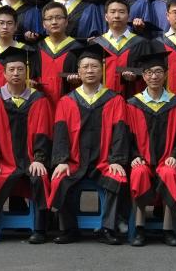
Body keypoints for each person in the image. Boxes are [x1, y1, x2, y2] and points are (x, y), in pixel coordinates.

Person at [49, 44, 129, 245]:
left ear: (102, 70)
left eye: (94, 66)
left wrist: (116, 160)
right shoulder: (67, 101)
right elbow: (60, 134)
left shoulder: (115, 100)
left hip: (103, 162)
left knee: (117, 177)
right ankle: (69, 229)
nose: (90, 71)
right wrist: (61, 160)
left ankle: (107, 228)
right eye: (85, 67)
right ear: (78, 72)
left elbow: (120, 132)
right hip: (75, 161)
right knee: (59, 179)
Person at [0, 47, 53, 245]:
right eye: (11, 70)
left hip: (30, 159)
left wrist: (39, 159)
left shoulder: (38, 99)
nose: (16, 73)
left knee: (40, 176)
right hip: (4, 160)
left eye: (20, 69)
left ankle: (40, 230)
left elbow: (43, 132)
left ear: (26, 72)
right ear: (4, 74)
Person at [127, 49, 176, 247]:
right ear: (143, 76)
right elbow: (126, 136)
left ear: (166, 74)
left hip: (166, 159)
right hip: (142, 158)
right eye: (149, 72)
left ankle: (168, 229)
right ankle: (139, 228)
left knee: (170, 173)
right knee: (138, 173)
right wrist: (133, 156)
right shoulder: (133, 104)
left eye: (158, 72)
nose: (154, 76)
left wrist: (175, 156)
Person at [91, 0, 148, 97]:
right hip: (102, 99)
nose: (117, 16)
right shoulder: (96, 43)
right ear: (106, 17)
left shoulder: (141, 43)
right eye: (112, 12)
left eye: (121, 12)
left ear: (128, 17)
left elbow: (147, 72)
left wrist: (136, 76)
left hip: (132, 97)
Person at [33, 2, 81, 108]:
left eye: (58, 18)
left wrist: (77, 80)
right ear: (43, 24)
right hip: (42, 105)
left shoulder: (78, 49)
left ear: (66, 21)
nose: (54, 22)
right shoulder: (37, 49)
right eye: (49, 18)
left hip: (69, 105)